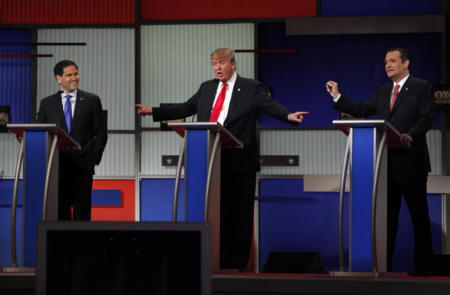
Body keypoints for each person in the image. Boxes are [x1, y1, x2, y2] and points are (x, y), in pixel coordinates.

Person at [136, 48, 308, 270]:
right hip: (210, 162)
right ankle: (215, 260)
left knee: (239, 214)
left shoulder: (250, 87)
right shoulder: (207, 88)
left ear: (233, 64)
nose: (217, 67)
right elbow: (187, 107)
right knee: (217, 213)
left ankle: (236, 264)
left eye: (221, 63)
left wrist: (288, 115)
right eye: (214, 63)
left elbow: (269, 105)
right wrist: (153, 111)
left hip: (239, 162)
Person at [326, 48, 434, 273]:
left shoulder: (422, 87)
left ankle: (424, 271)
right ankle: (385, 268)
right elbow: (362, 109)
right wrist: (338, 96)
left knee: (419, 220)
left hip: (412, 164)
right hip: (386, 167)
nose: (387, 65)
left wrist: (410, 136)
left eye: (392, 61)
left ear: (406, 63)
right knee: (387, 222)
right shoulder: (383, 90)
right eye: (385, 61)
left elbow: (426, 118)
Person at [37, 60, 107, 221]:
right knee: (60, 212)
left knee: (82, 213)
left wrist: (93, 159)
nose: (75, 77)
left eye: (76, 73)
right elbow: (41, 131)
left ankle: (82, 246)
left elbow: (101, 132)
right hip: (57, 167)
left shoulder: (91, 100)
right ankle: (62, 246)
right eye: (69, 75)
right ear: (59, 78)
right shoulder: (47, 103)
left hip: (83, 166)